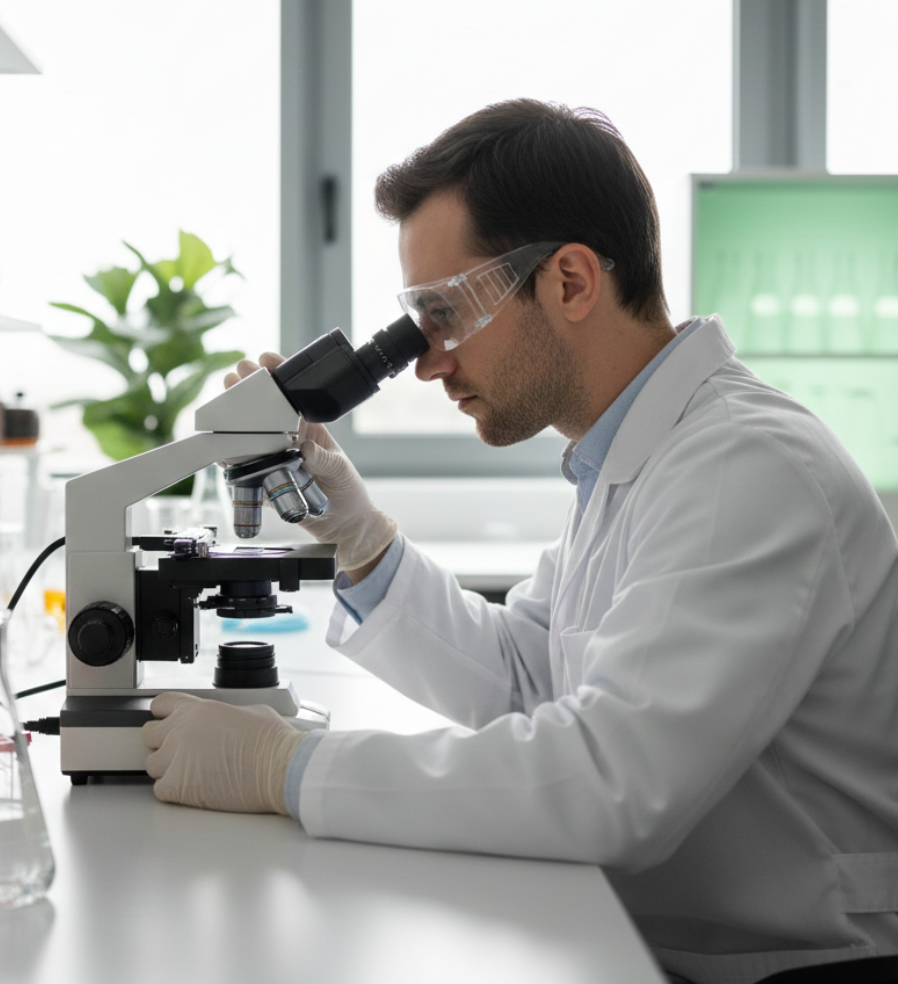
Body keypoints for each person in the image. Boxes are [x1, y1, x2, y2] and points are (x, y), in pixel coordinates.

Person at [140, 100, 898, 984]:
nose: (427, 361)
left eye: (445, 315)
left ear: (571, 282)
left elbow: (610, 783)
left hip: (793, 967)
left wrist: (288, 768)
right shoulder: (634, 459)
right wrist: (359, 537)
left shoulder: (746, 466)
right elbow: (525, 680)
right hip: (665, 940)